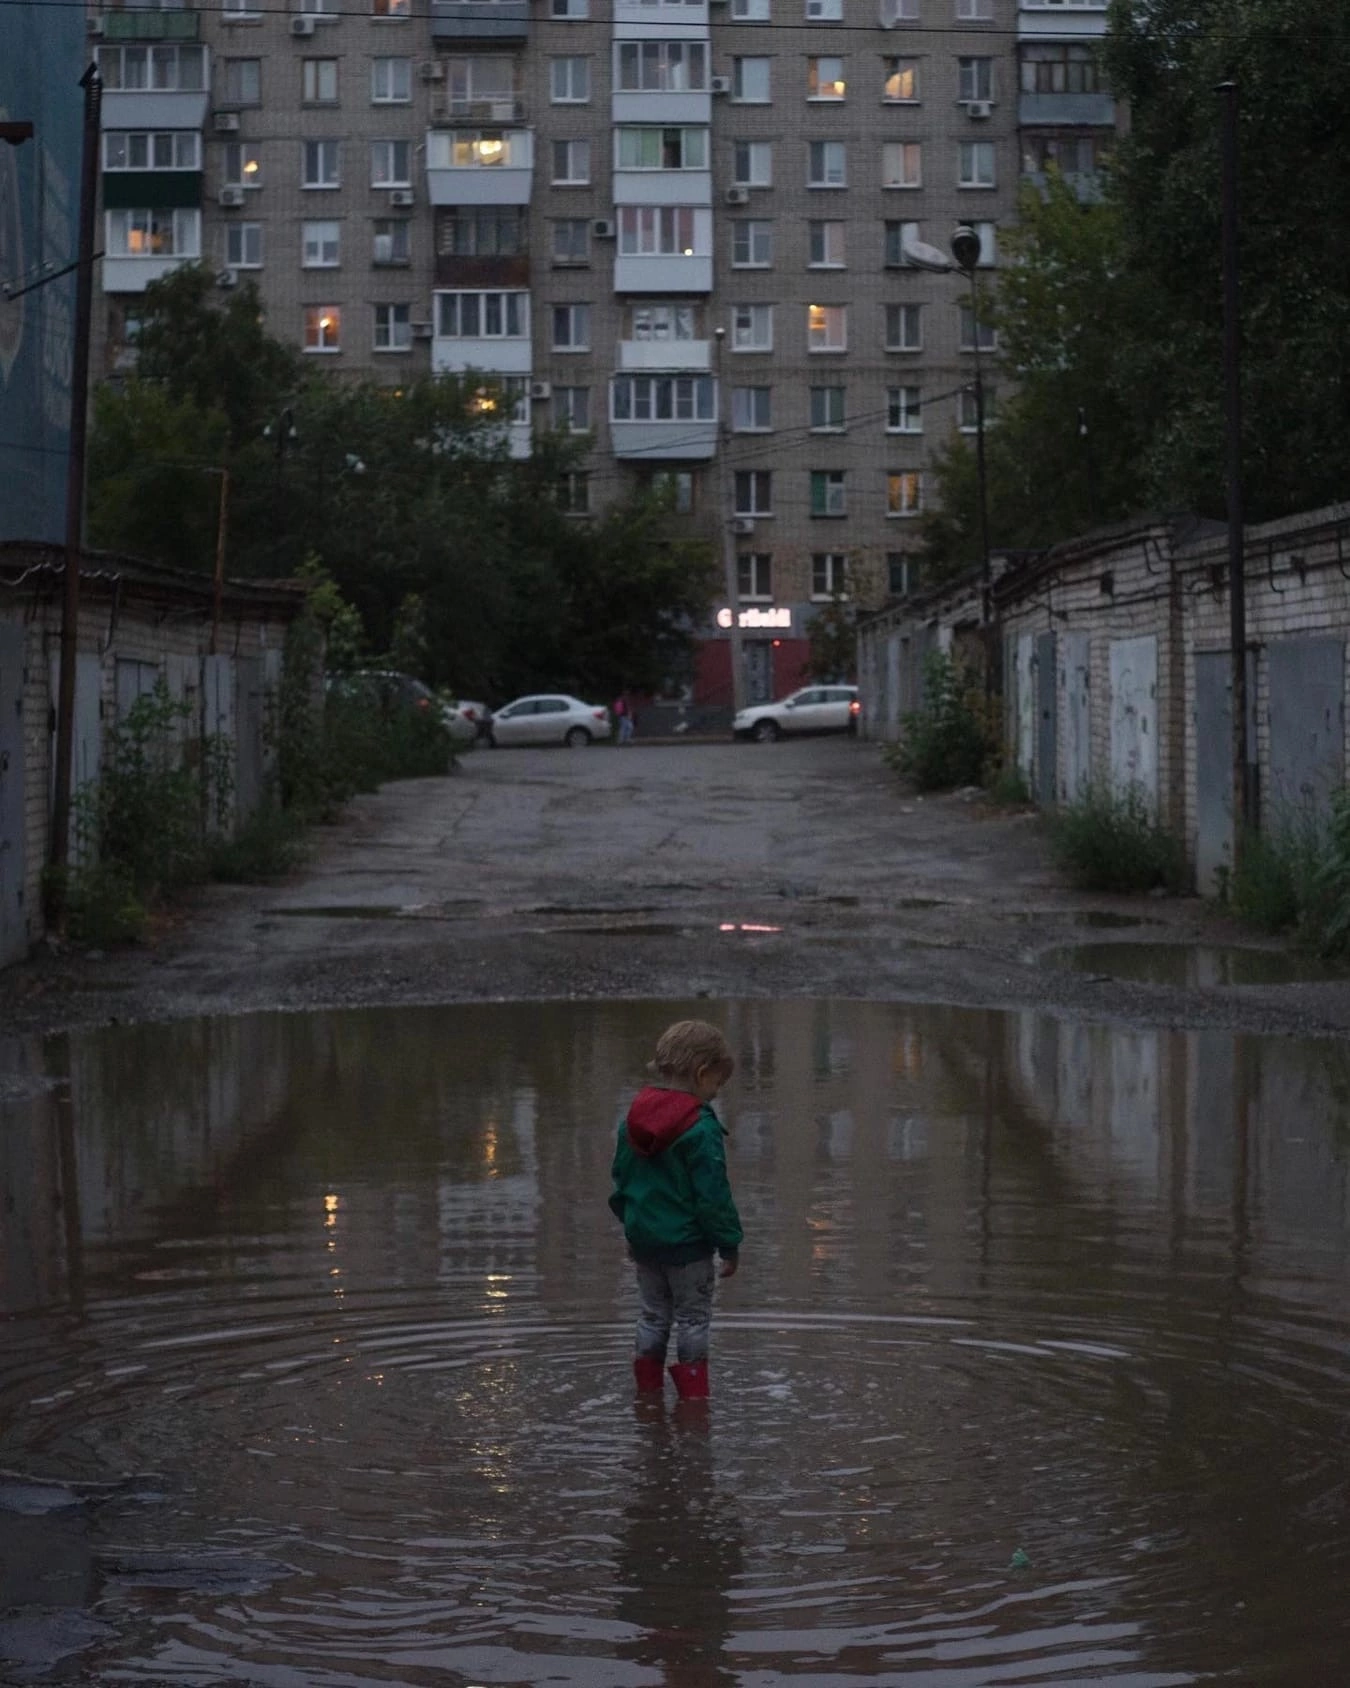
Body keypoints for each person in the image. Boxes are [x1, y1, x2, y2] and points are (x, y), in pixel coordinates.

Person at [609, 1020, 743, 1401]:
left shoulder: (632, 1120)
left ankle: (647, 1396)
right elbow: (713, 1196)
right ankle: (695, 1403)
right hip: (688, 1249)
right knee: (693, 1319)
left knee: (652, 1316)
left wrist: (633, 1227)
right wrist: (729, 1244)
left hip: (645, 1243)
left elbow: (622, 1179)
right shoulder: (699, 1128)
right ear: (702, 1074)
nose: (715, 1095)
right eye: (716, 1085)